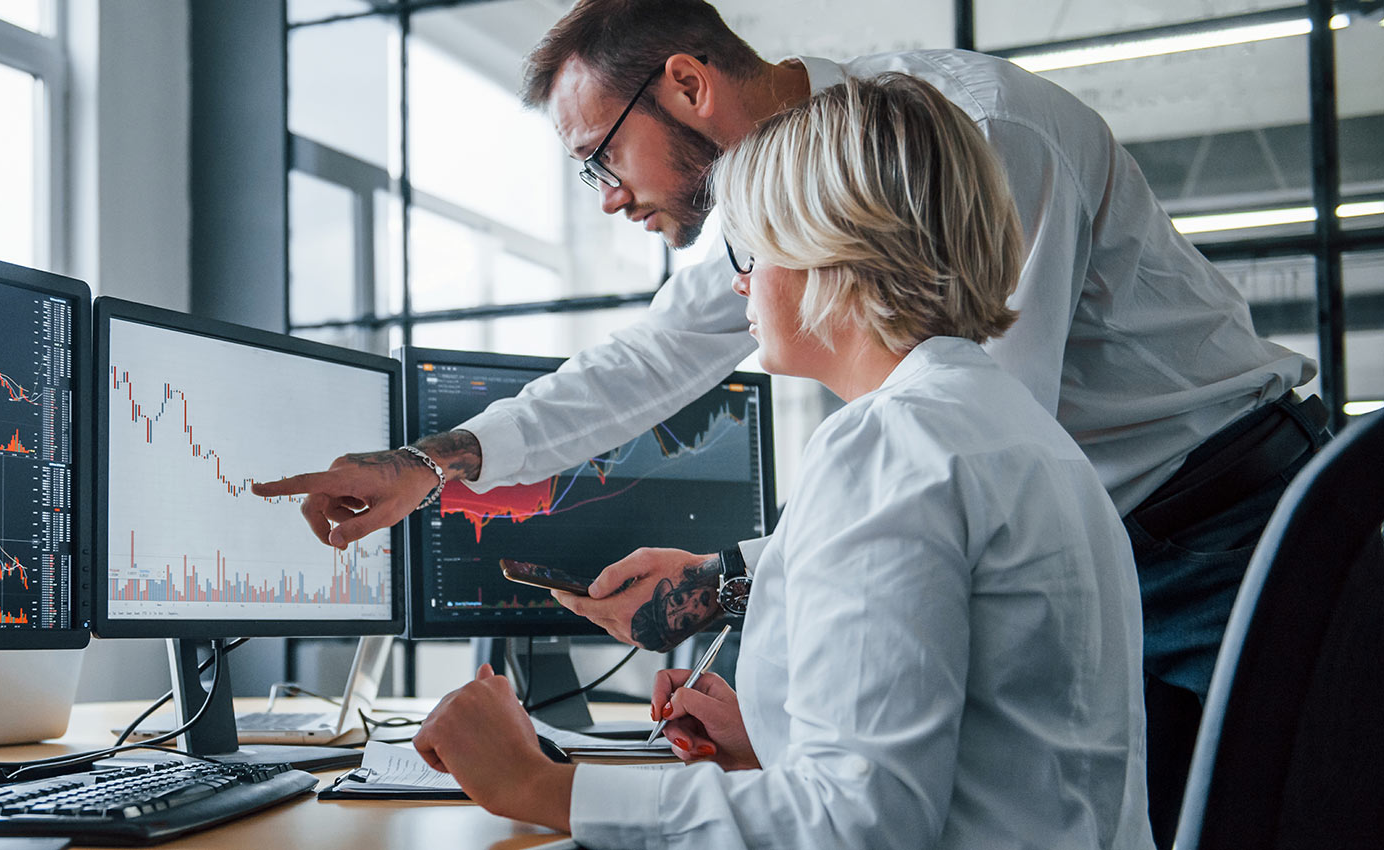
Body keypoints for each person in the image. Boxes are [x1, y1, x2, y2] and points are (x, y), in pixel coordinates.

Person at [251, 1, 1326, 839]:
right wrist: (431, 461)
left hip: (1221, 521)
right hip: (1104, 529)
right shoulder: (864, 286)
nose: (608, 197)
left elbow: (950, 485)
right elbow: (651, 358)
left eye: (598, 159)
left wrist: (547, 787)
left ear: (686, 84)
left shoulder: (969, 160)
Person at [413, 73, 1152, 849]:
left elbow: (853, 824)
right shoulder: (1015, 427)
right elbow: (982, 762)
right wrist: (772, 746)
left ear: (828, 248)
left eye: (750, 250)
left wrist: (537, 785)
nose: (739, 282)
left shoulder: (889, 444)